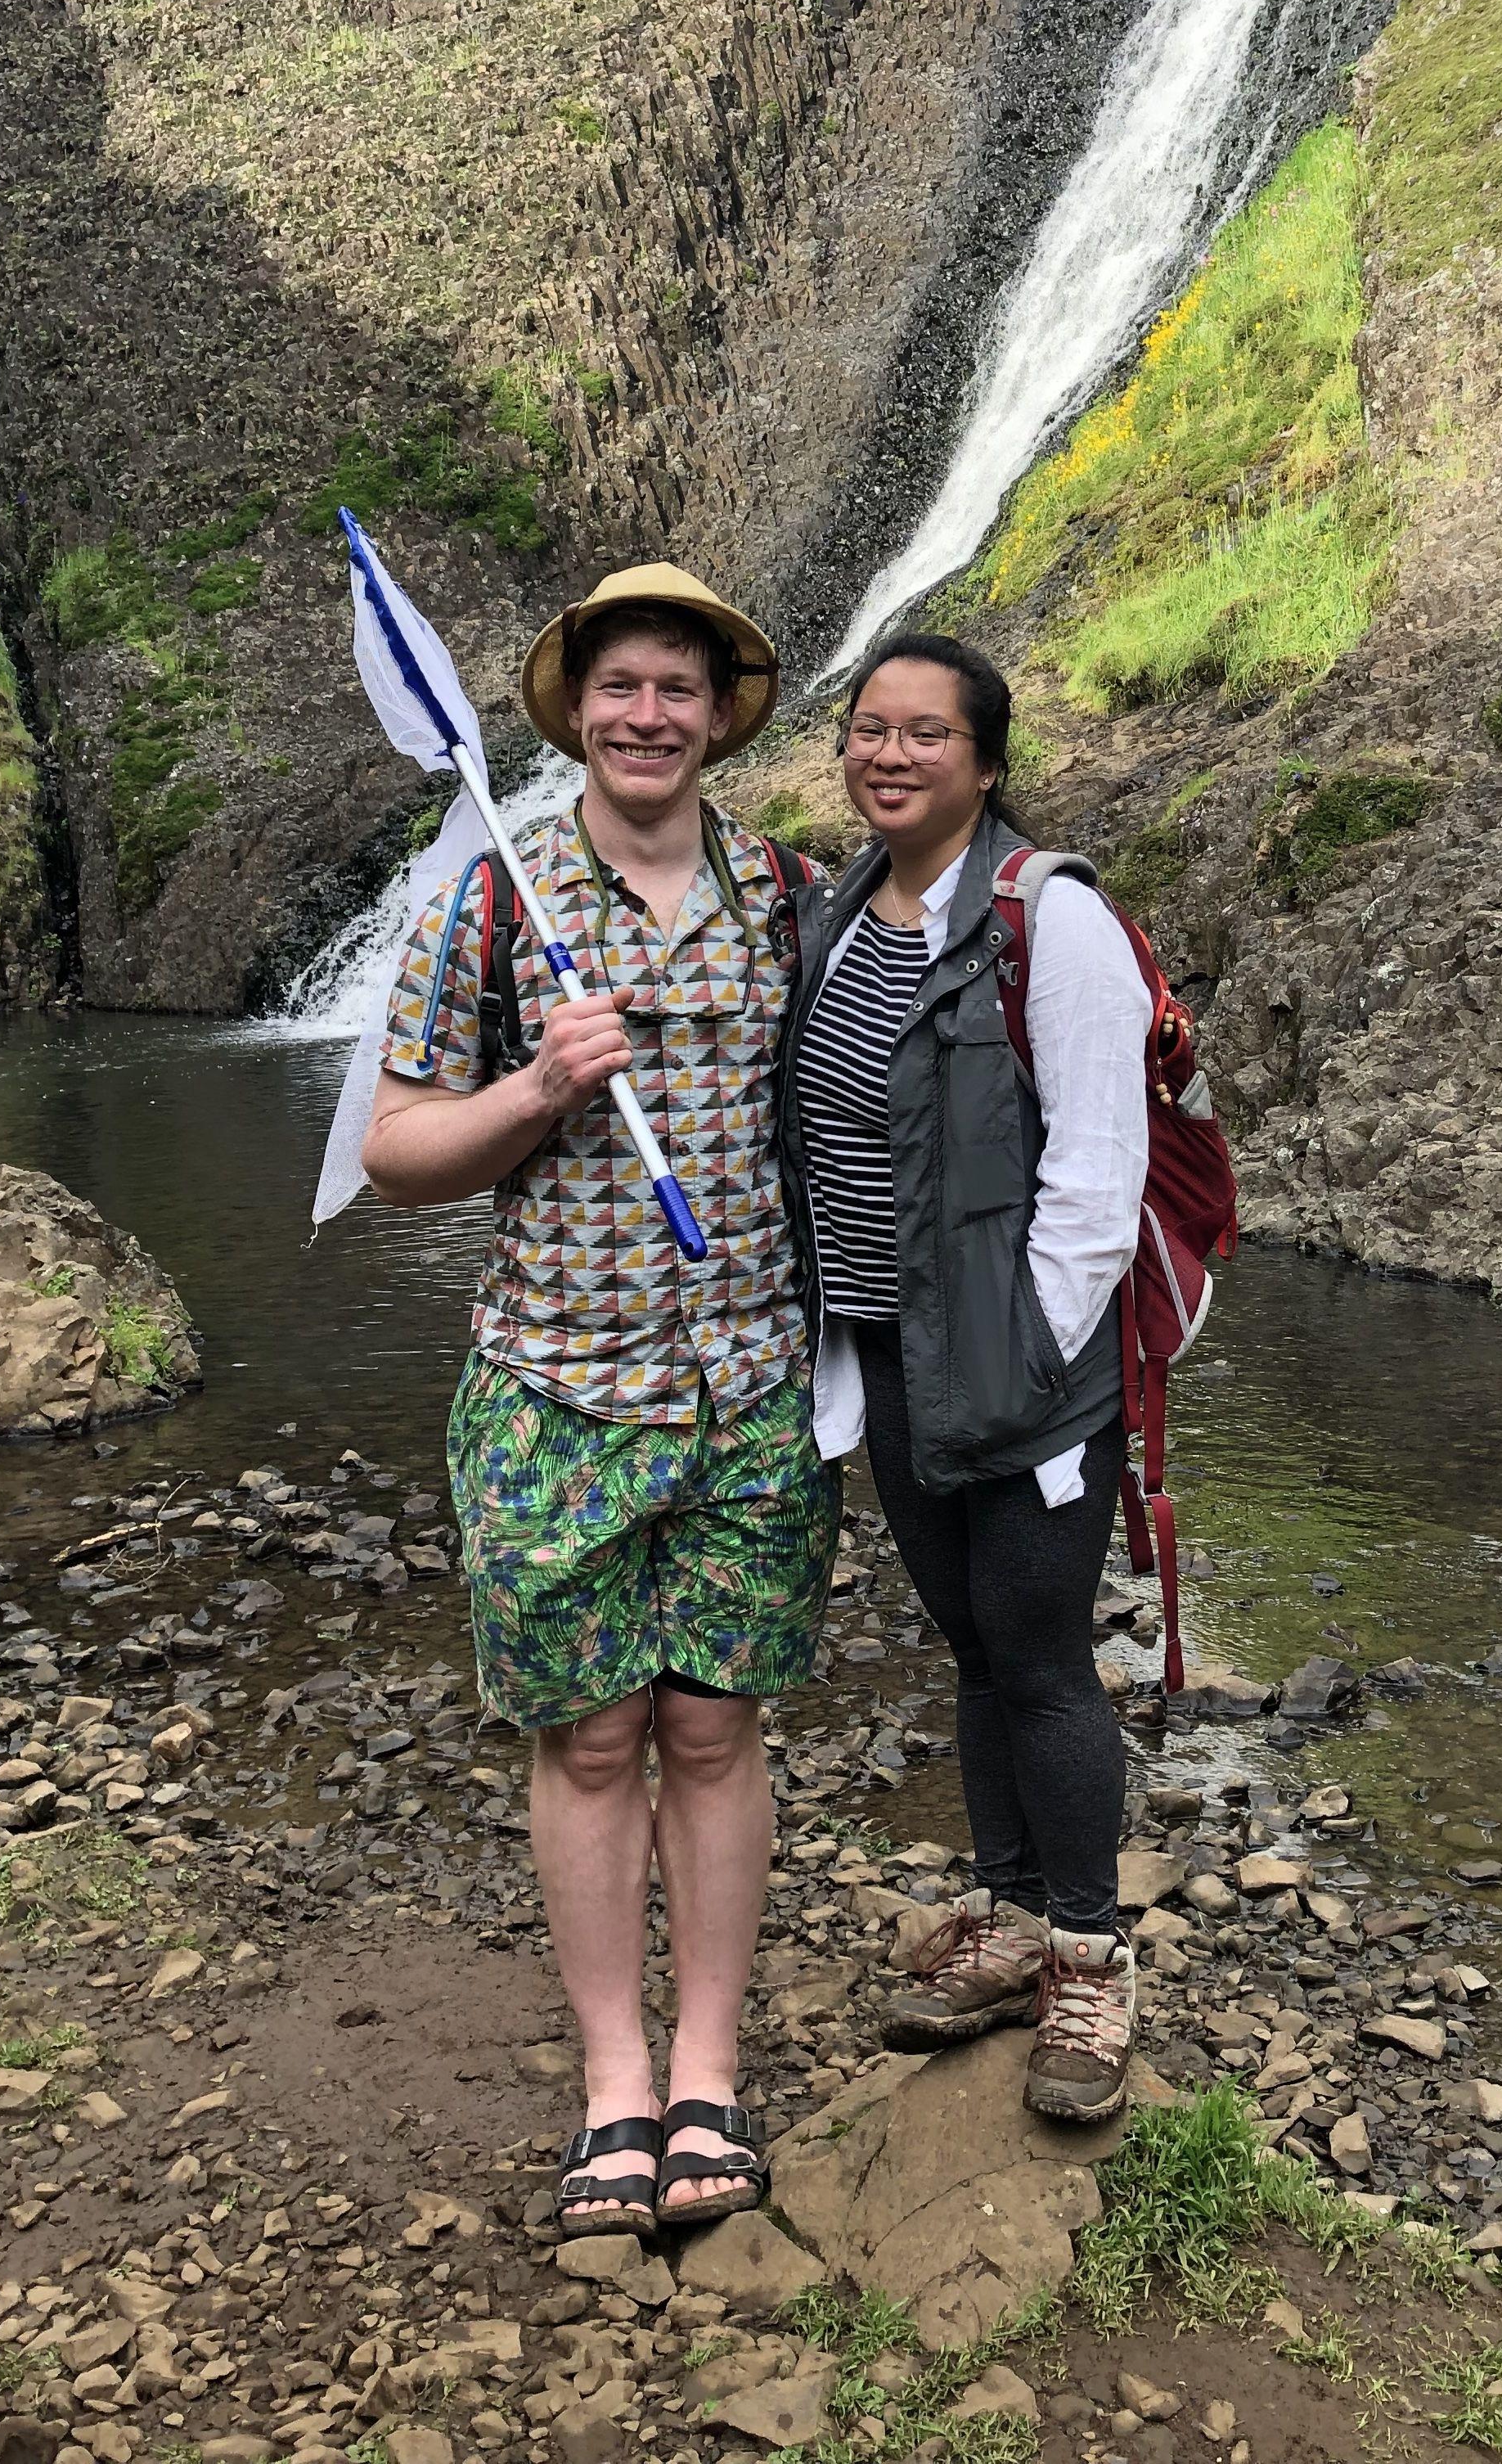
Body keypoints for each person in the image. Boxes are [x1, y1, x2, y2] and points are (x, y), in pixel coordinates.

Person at [361, 562, 833, 2237]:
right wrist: (538, 1089)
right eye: (620, 686)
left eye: (678, 691)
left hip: (753, 1397)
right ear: (577, 710)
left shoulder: (789, 898)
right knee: (592, 1738)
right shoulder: (492, 899)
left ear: (719, 717)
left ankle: (709, 2072)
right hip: (556, 1393)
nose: (649, 715)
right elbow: (399, 1155)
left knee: (714, 1729)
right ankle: (614, 2085)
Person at [777, 632, 1152, 2121]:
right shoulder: (835, 921)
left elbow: (1097, 1172)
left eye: (924, 732)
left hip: (1020, 1372)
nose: (887, 753)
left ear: (985, 762)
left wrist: (1037, 1357)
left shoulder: (1047, 920)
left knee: (1044, 1653)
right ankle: (1003, 1917)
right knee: (977, 1652)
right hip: (891, 1356)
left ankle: (1089, 1958)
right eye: (867, 727)